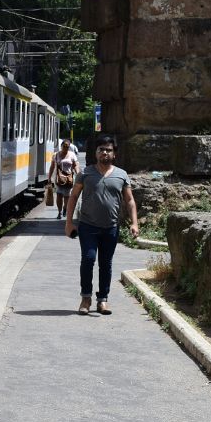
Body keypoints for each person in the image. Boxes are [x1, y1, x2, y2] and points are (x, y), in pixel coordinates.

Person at [64, 135, 139, 315]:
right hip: (88, 226)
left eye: (108, 150)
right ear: (96, 153)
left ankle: (102, 300)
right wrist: (69, 223)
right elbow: (73, 197)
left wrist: (134, 223)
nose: (105, 152)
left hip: (111, 227)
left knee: (106, 263)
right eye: (101, 150)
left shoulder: (121, 175)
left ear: (114, 154)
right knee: (88, 259)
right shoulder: (86, 173)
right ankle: (86, 298)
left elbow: (130, 201)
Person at [47, 138, 81, 219]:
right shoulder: (56, 155)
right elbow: (52, 167)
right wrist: (49, 178)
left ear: (69, 147)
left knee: (67, 196)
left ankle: (65, 208)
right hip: (59, 179)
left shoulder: (72, 155)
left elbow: (75, 165)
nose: (65, 148)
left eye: (67, 146)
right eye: (64, 146)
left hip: (69, 179)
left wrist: (78, 175)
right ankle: (59, 212)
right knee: (59, 195)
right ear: (61, 146)